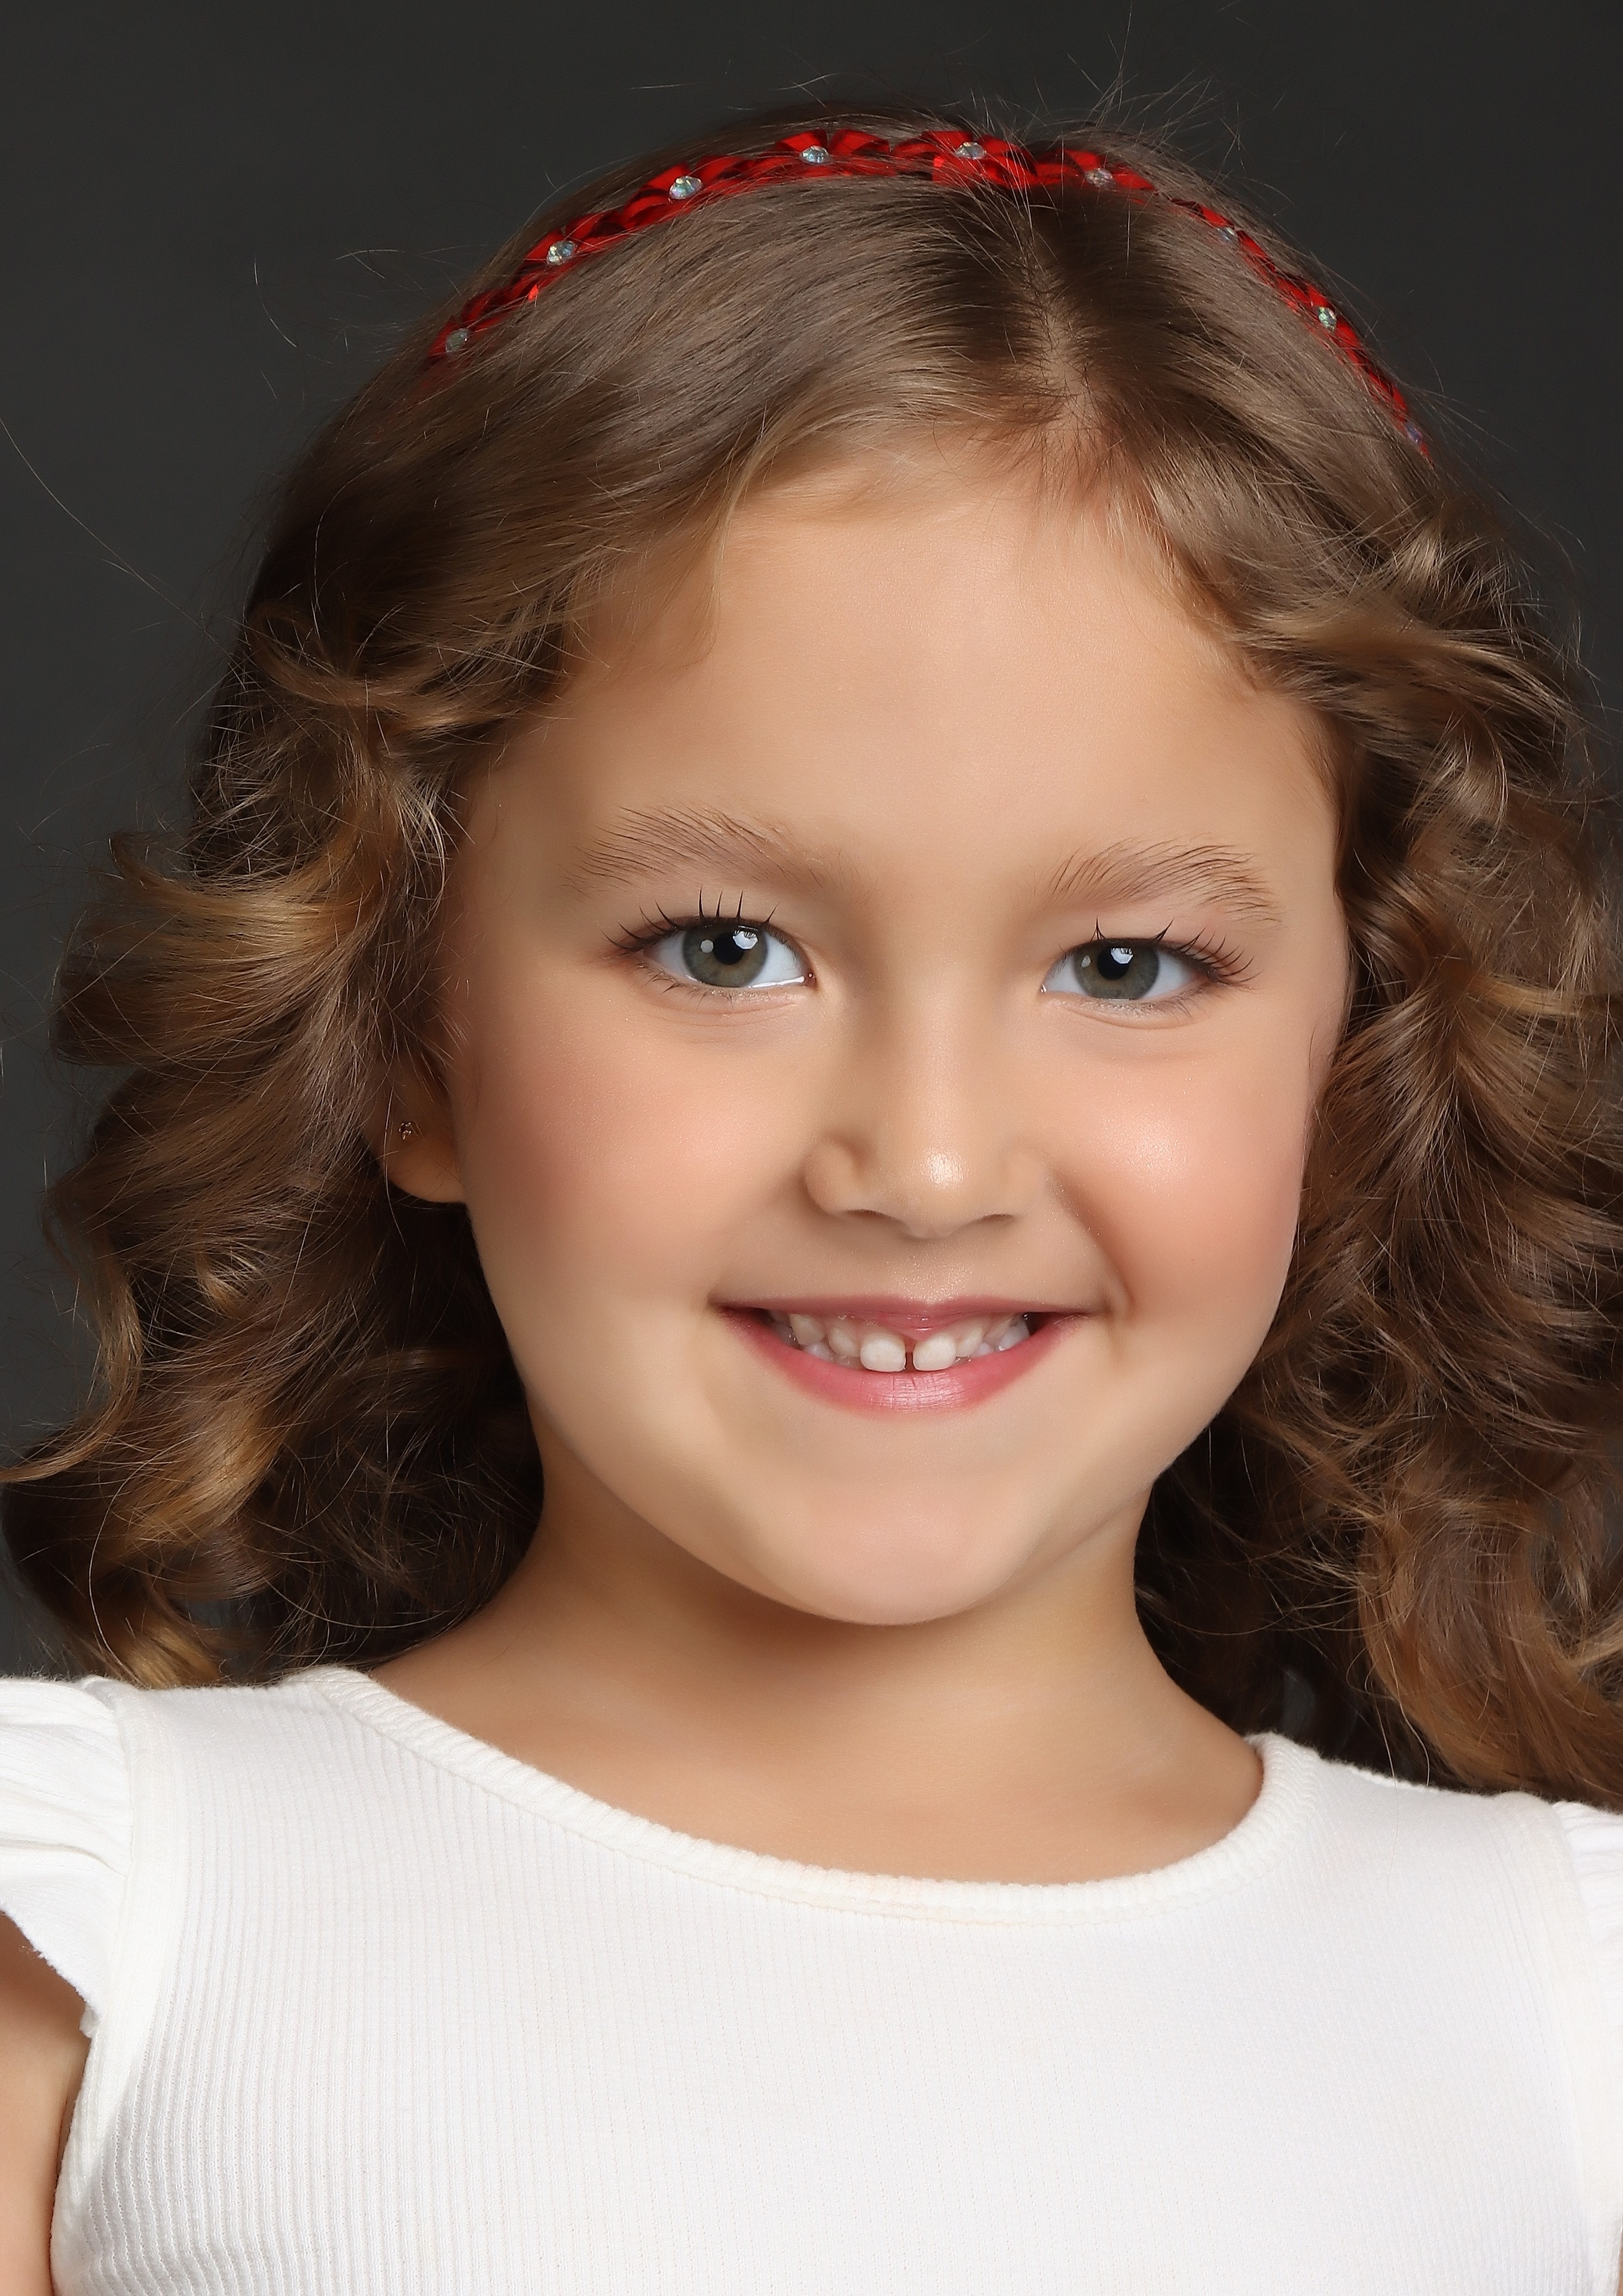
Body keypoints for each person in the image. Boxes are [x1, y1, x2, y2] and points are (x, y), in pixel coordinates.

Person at [2, 106, 1621, 2295]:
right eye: (722, 949)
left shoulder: (1562, 2013)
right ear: (401, 1033)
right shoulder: (104, 1933)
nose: (925, 1167)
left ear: (1363, 1060)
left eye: (1124, 969)